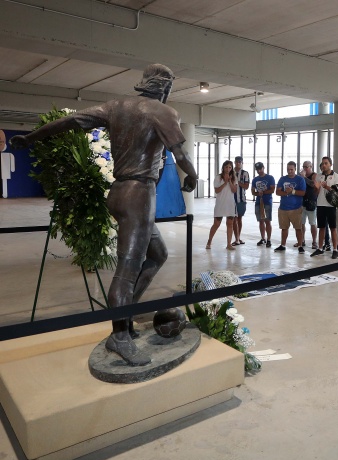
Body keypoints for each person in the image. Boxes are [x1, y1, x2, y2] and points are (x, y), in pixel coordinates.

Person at [10, 63, 198, 366]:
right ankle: (119, 336)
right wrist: (193, 176)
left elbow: (70, 121)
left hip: (118, 192)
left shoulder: (116, 106)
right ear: (165, 86)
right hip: (139, 195)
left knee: (158, 255)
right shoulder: (164, 112)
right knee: (128, 269)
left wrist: (31, 138)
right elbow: (181, 154)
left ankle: (124, 315)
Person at [310, 156, 338, 259]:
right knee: (321, 227)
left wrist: (326, 187)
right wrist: (316, 188)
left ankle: (335, 249)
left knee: (333, 227)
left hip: (331, 205)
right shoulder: (318, 176)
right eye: (322, 163)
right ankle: (320, 248)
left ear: (330, 164)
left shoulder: (336, 176)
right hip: (320, 204)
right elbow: (316, 193)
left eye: (326, 163)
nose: (324, 165)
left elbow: (337, 192)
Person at [274, 161, 306, 253]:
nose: (290, 171)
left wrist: (292, 191)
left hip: (296, 208)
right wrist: (285, 192)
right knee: (284, 228)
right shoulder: (282, 179)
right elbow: (277, 192)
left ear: (295, 169)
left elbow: (303, 193)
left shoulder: (300, 179)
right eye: (288, 169)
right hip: (283, 208)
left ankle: (300, 245)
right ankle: (283, 245)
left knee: (298, 228)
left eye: (291, 169)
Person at [207, 160, 238, 251]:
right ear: (223, 168)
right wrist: (225, 182)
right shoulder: (218, 177)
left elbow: (234, 190)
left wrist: (230, 181)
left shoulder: (234, 178)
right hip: (220, 203)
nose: (228, 169)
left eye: (230, 167)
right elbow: (217, 190)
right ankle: (209, 241)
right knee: (216, 224)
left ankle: (229, 244)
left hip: (230, 203)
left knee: (230, 223)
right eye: (226, 167)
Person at [251, 161, 275, 247]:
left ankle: (269, 239)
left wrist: (264, 192)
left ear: (263, 168)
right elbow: (253, 191)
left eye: (260, 169)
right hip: (258, 202)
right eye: (257, 169)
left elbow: (272, 190)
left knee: (267, 221)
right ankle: (263, 238)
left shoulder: (270, 178)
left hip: (267, 201)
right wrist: (258, 193)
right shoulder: (255, 179)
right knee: (260, 221)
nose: (259, 171)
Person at [299, 161, 318, 250]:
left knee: (312, 223)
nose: (305, 168)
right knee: (301, 223)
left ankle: (314, 241)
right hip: (302, 202)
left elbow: (313, 184)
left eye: (307, 167)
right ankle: (302, 240)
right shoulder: (301, 176)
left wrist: (304, 177)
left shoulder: (314, 175)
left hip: (311, 202)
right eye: (304, 167)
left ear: (311, 167)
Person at [232, 156, 250, 246]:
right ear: (234, 162)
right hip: (231, 199)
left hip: (241, 199)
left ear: (242, 163)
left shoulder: (245, 173)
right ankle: (236, 239)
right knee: (234, 219)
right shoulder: (231, 172)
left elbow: (246, 186)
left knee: (239, 218)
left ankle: (238, 238)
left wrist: (238, 182)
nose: (238, 163)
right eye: (237, 162)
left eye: (240, 162)